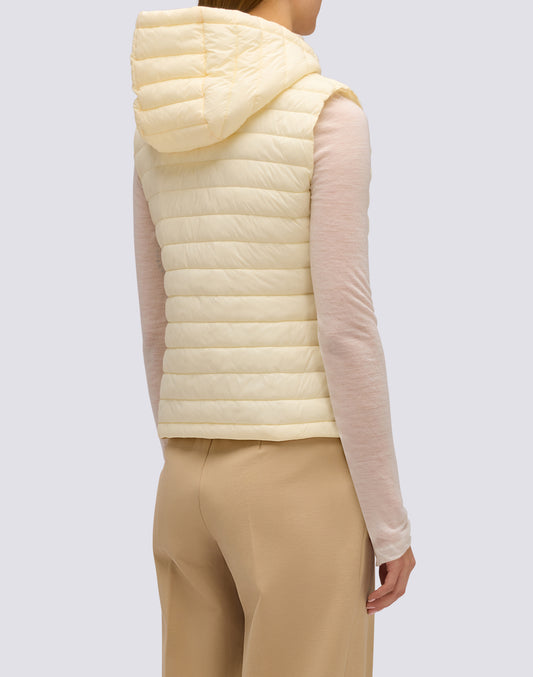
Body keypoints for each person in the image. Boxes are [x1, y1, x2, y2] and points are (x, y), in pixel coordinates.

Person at [131, 1, 416, 675]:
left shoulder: (160, 126)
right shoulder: (326, 115)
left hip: (183, 483)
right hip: (298, 484)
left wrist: (189, 449)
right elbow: (346, 330)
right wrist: (389, 524)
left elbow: (157, 322)